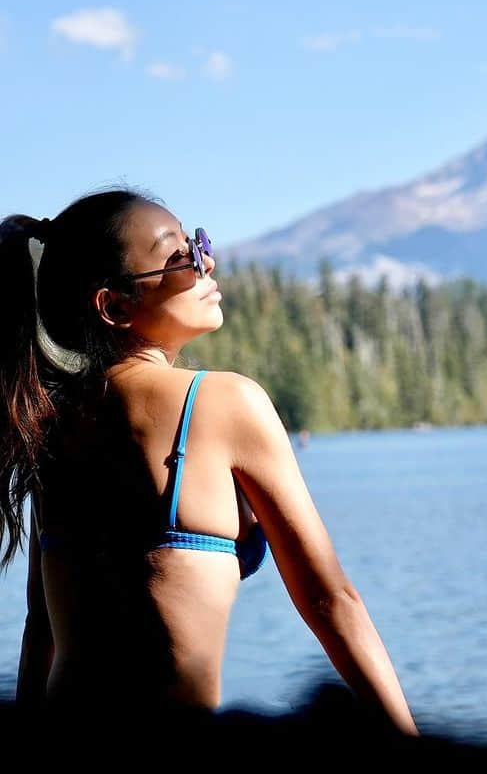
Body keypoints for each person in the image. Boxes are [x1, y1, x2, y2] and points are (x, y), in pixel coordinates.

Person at [1, 189, 417, 734]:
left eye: (199, 243)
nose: (207, 262)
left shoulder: (51, 421)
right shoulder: (224, 403)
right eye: (181, 258)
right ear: (115, 306)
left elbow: (42, 628)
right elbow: (330, 600)